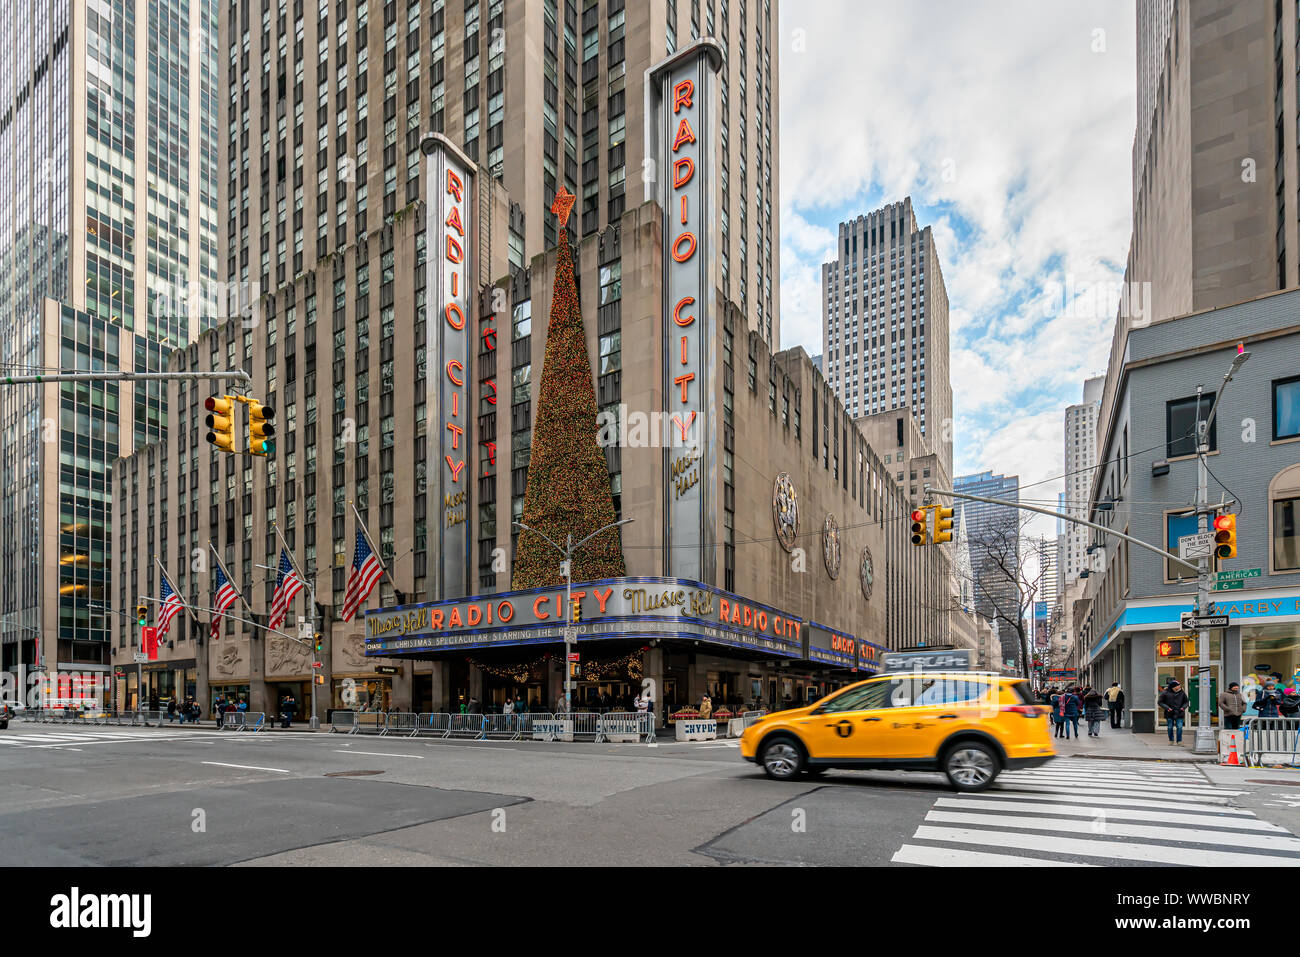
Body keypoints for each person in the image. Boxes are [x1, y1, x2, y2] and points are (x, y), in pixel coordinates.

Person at [1159, 679, 1190, 744]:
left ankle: (1179, 741)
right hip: (1169, 713)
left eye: (1179, 685)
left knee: (1179, 727)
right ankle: (1171, 740)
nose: (1179, 686)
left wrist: (1183, 708)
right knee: (1170, 727)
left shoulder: (1182, 692)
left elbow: (1186, 702)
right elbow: (1160, 702)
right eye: (1178, 685)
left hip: (1179, 712)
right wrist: (1167, 708)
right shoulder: (1165, 693)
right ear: (1173, 687)